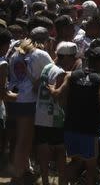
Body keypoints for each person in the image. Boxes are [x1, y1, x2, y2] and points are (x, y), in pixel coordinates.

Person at [51, 45, 100, 185]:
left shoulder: (72, 75)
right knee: (91, 167)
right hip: (89, 129)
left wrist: (51, 89)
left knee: (75, 162)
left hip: (71, 127)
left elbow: (58, 94)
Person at [5, 28, 53, 184]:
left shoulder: (16, 52)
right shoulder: (41, 54)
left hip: (14, 99)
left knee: (20, 137)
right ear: (45, 40)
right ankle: (17, 176)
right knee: (24, 140)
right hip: (28, 101)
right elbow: (54, 73)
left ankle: (24, 170)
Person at [35, 41, 77, 185]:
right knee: (60, 151)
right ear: (65, 57)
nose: (74, 60)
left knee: (43, 151)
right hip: (55, 117)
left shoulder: (47, 67)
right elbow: (60, 97)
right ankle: (62, 182)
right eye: (72, 57)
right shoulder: (61, 73)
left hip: (41, 115)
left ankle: (45, 181)